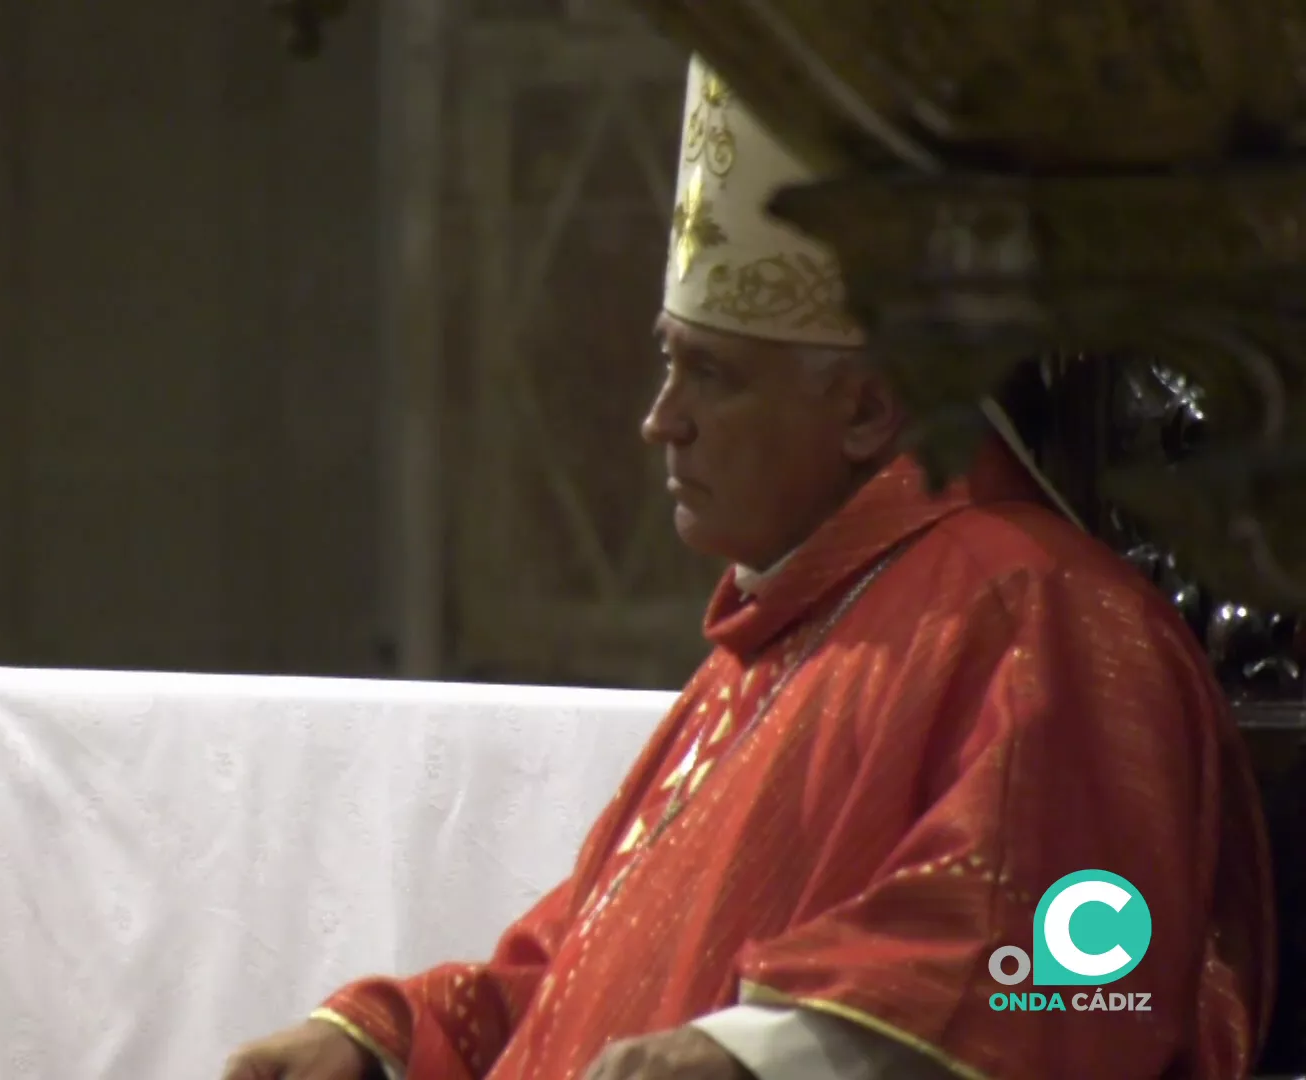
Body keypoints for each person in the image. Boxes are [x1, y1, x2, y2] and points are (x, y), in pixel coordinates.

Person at [220, 54, 1275, 1080]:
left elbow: (1082, 968)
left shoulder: (1040, 614)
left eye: (711, 375)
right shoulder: (772, 644)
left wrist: (763, 1056)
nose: (659, 421)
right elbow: (583, 974)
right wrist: (384, 1042)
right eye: (666, 363)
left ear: (867, 408)